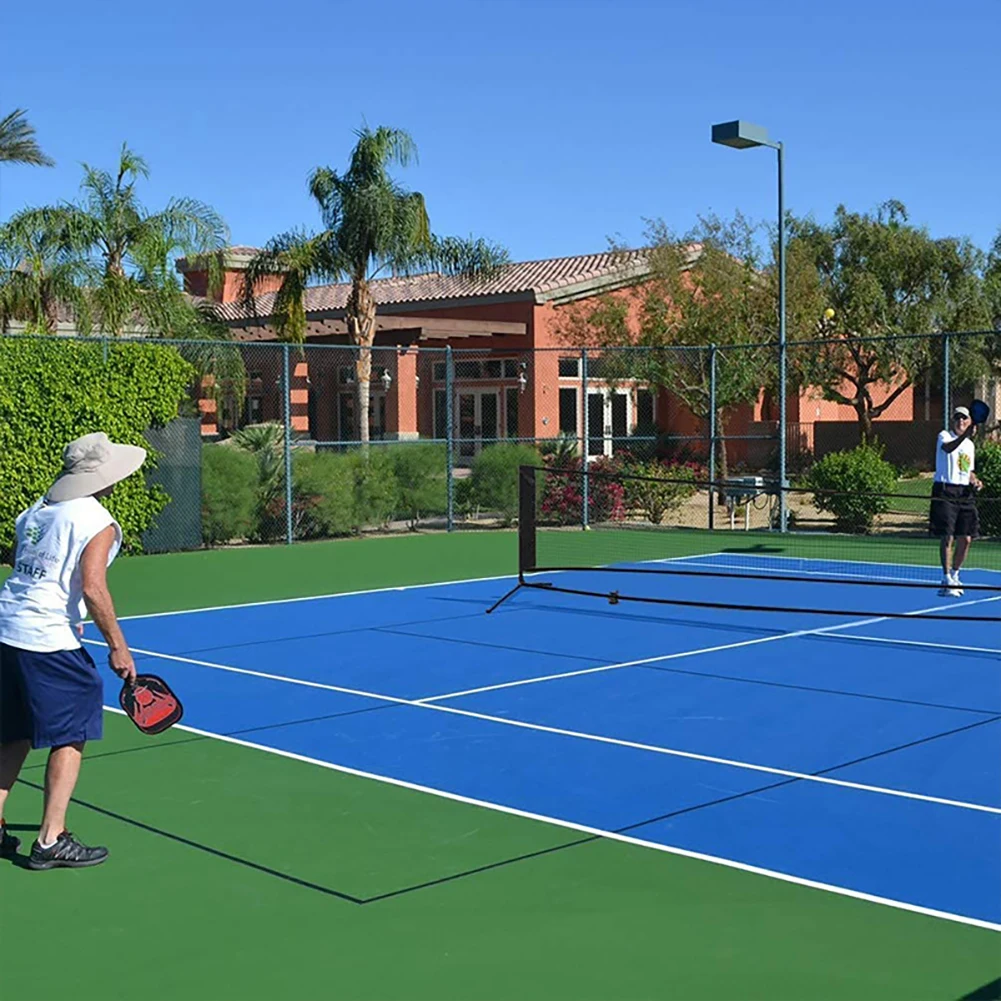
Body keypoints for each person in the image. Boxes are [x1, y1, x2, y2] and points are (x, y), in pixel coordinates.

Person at [0, 432, 143, 869]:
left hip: (7, 629)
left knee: (13, 733)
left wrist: (67, 604)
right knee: (70, 730)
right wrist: (118, 647)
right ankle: (51, 839)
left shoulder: (36, 510)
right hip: (47, 640)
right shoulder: (96, 519)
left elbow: (25, 565)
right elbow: (95, 587)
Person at [930, 406, 982, 597]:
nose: (960, 421)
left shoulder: (970, 445)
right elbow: (948, 448)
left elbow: (968, 470)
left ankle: (955, 575)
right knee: (948, 536)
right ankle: (946, 579)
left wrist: (975, 480)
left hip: (964, 493)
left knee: (966, 538)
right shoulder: (944, 436)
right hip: (945, 491)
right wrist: (966, 435)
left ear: (969, 422)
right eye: (957, 418)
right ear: (953, 421)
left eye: (964, 418)